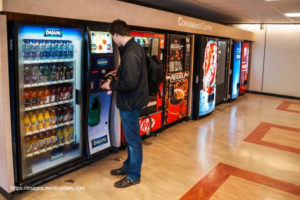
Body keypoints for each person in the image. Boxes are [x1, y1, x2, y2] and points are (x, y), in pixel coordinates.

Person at [101, 19, 148, 188]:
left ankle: (133, 175)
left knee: (134, 141)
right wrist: (118, 71)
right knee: (130, 139)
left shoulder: (130, 53)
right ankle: (128, 166)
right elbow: (133, 73)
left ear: (116, 34)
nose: (112, 39)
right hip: (132, 100)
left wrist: (111, 84)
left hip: (130, 103)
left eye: (111, 36)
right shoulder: (133, 48)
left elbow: (130, 83)